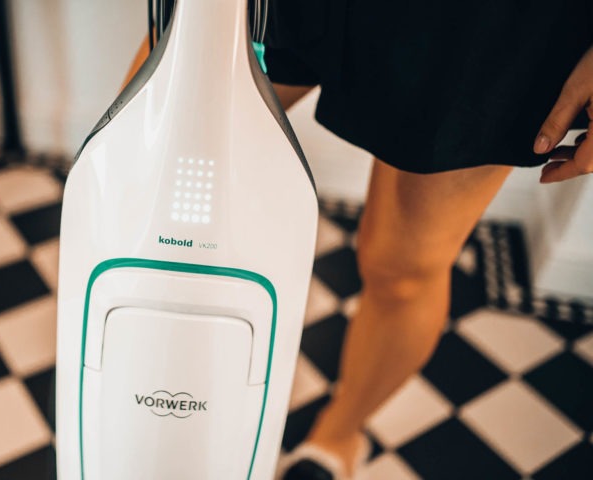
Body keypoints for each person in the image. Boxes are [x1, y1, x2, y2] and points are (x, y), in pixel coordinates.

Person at [122, 2, 593, 478]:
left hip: (479, 21)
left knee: (403, 268)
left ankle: (338, 436)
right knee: (141, 187)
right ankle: (135, 407)